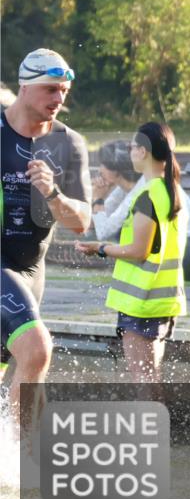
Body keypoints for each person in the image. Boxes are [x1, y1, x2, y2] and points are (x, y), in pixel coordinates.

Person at [1, 49, 92, 426]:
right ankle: (19, 465)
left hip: (31, 272)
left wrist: (54, 194)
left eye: (65, 91)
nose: (59, 99)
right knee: (37, 349)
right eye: (51, 90)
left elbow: (81, 222)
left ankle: (13, 464)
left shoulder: (69, 144)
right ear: (25, 87)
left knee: (22, 374)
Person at [76, 123, 187, 389]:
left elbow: (138, 251)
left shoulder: (148, 195)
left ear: (144, 152)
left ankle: (150, 431)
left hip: (142, 301)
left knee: (143, 383)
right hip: (162, 300)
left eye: (132, 147)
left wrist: (100, 248)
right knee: (151, 379)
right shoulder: (169, 190)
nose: (129, 152)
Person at [91, 140, 190, 281]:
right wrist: (98, 197)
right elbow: (97, 222)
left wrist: (98, 199)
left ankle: (141, 282)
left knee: (125, 229)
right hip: (185, 252)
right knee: (127, 229)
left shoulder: (142, 187)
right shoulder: (125, 188)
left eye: (102, 165)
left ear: (115, 170)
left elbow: (103, 232)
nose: (99, 170)